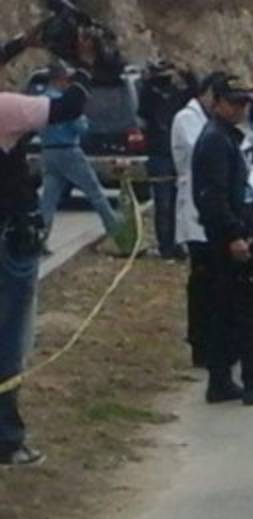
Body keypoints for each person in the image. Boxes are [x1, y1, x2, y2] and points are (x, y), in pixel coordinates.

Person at [1, 26, 93, 466]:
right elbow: (70, 106)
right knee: (9, 340)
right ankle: (8, 437)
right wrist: (84, 65)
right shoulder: (6, 108)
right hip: (9, 235)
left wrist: (23, 42)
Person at [192, 75, 253, 407]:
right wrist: (234, 234)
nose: (240, 108)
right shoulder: (216, 142)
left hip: (229, 234)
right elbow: (212, 196)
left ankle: (220, 380)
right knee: (249, 312)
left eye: (244, 102)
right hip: (230, 239)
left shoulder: (225, 139)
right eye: (234, 102)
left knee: (227, 312)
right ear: (217, 103)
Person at [172, 71, 224, 368]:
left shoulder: (208, 122)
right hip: (193, 205)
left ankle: (213, 341)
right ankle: (200, 343)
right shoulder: (187, 118)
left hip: (207, 206)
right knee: (202, 282)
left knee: (214, 281)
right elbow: (201, 152)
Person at [38, 61, 121, 241]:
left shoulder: (41, 100)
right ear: (62, 79)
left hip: (48, 152)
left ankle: (39, 238)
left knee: (49, 200)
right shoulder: (65, 102)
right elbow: (81, 127)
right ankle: (115, 230)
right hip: (69, 150)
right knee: (95, 192)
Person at [138, 60, 193, 260]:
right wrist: (148, 81)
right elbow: (142, 111)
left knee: (179, 202)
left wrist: (186, 73)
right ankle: (166, 247)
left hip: (176, 154)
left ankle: (178, 244)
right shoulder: (150, 94)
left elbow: (194, 93)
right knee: (163, 203)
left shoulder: (177, 95)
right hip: (159, 154)